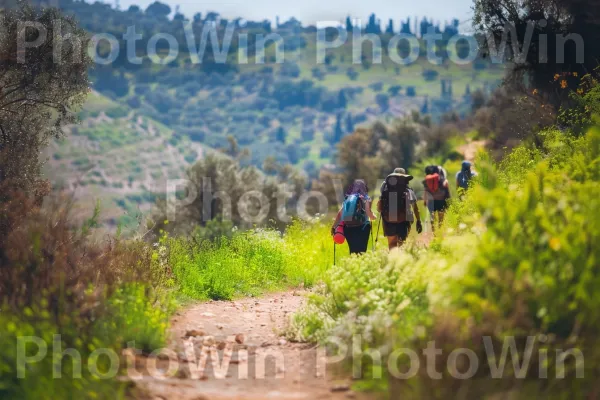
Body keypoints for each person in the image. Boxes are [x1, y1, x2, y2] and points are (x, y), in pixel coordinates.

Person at [377, 168, 422, 250]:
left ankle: (392, 261)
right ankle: (400, 261)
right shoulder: (408, 190)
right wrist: (418, 220)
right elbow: (415, 207)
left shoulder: (385, 188)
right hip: (403, 221)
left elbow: (379, 207)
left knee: (391, 245)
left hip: (388, 220)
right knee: (401, 245)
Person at [331, 180, 377, 254]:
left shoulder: (348, 198)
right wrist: (374, 217)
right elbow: (369, 213)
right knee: (362, 250)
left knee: (353, 250)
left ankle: (353, 263)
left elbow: (340, 213)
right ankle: (361, 264)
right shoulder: (366, 198)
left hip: (348, 227)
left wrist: (334, 227)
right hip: (363, 227)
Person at [423, 165, 450, 231]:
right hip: (441, 201)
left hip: (431, 202)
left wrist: (425, 201)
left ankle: (434, 233)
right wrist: (448, 199)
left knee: (432, 219)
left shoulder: (427, 180)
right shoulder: (443, 179)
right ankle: (440, 232)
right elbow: (447, 190)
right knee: (441, 218)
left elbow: (425, 192)